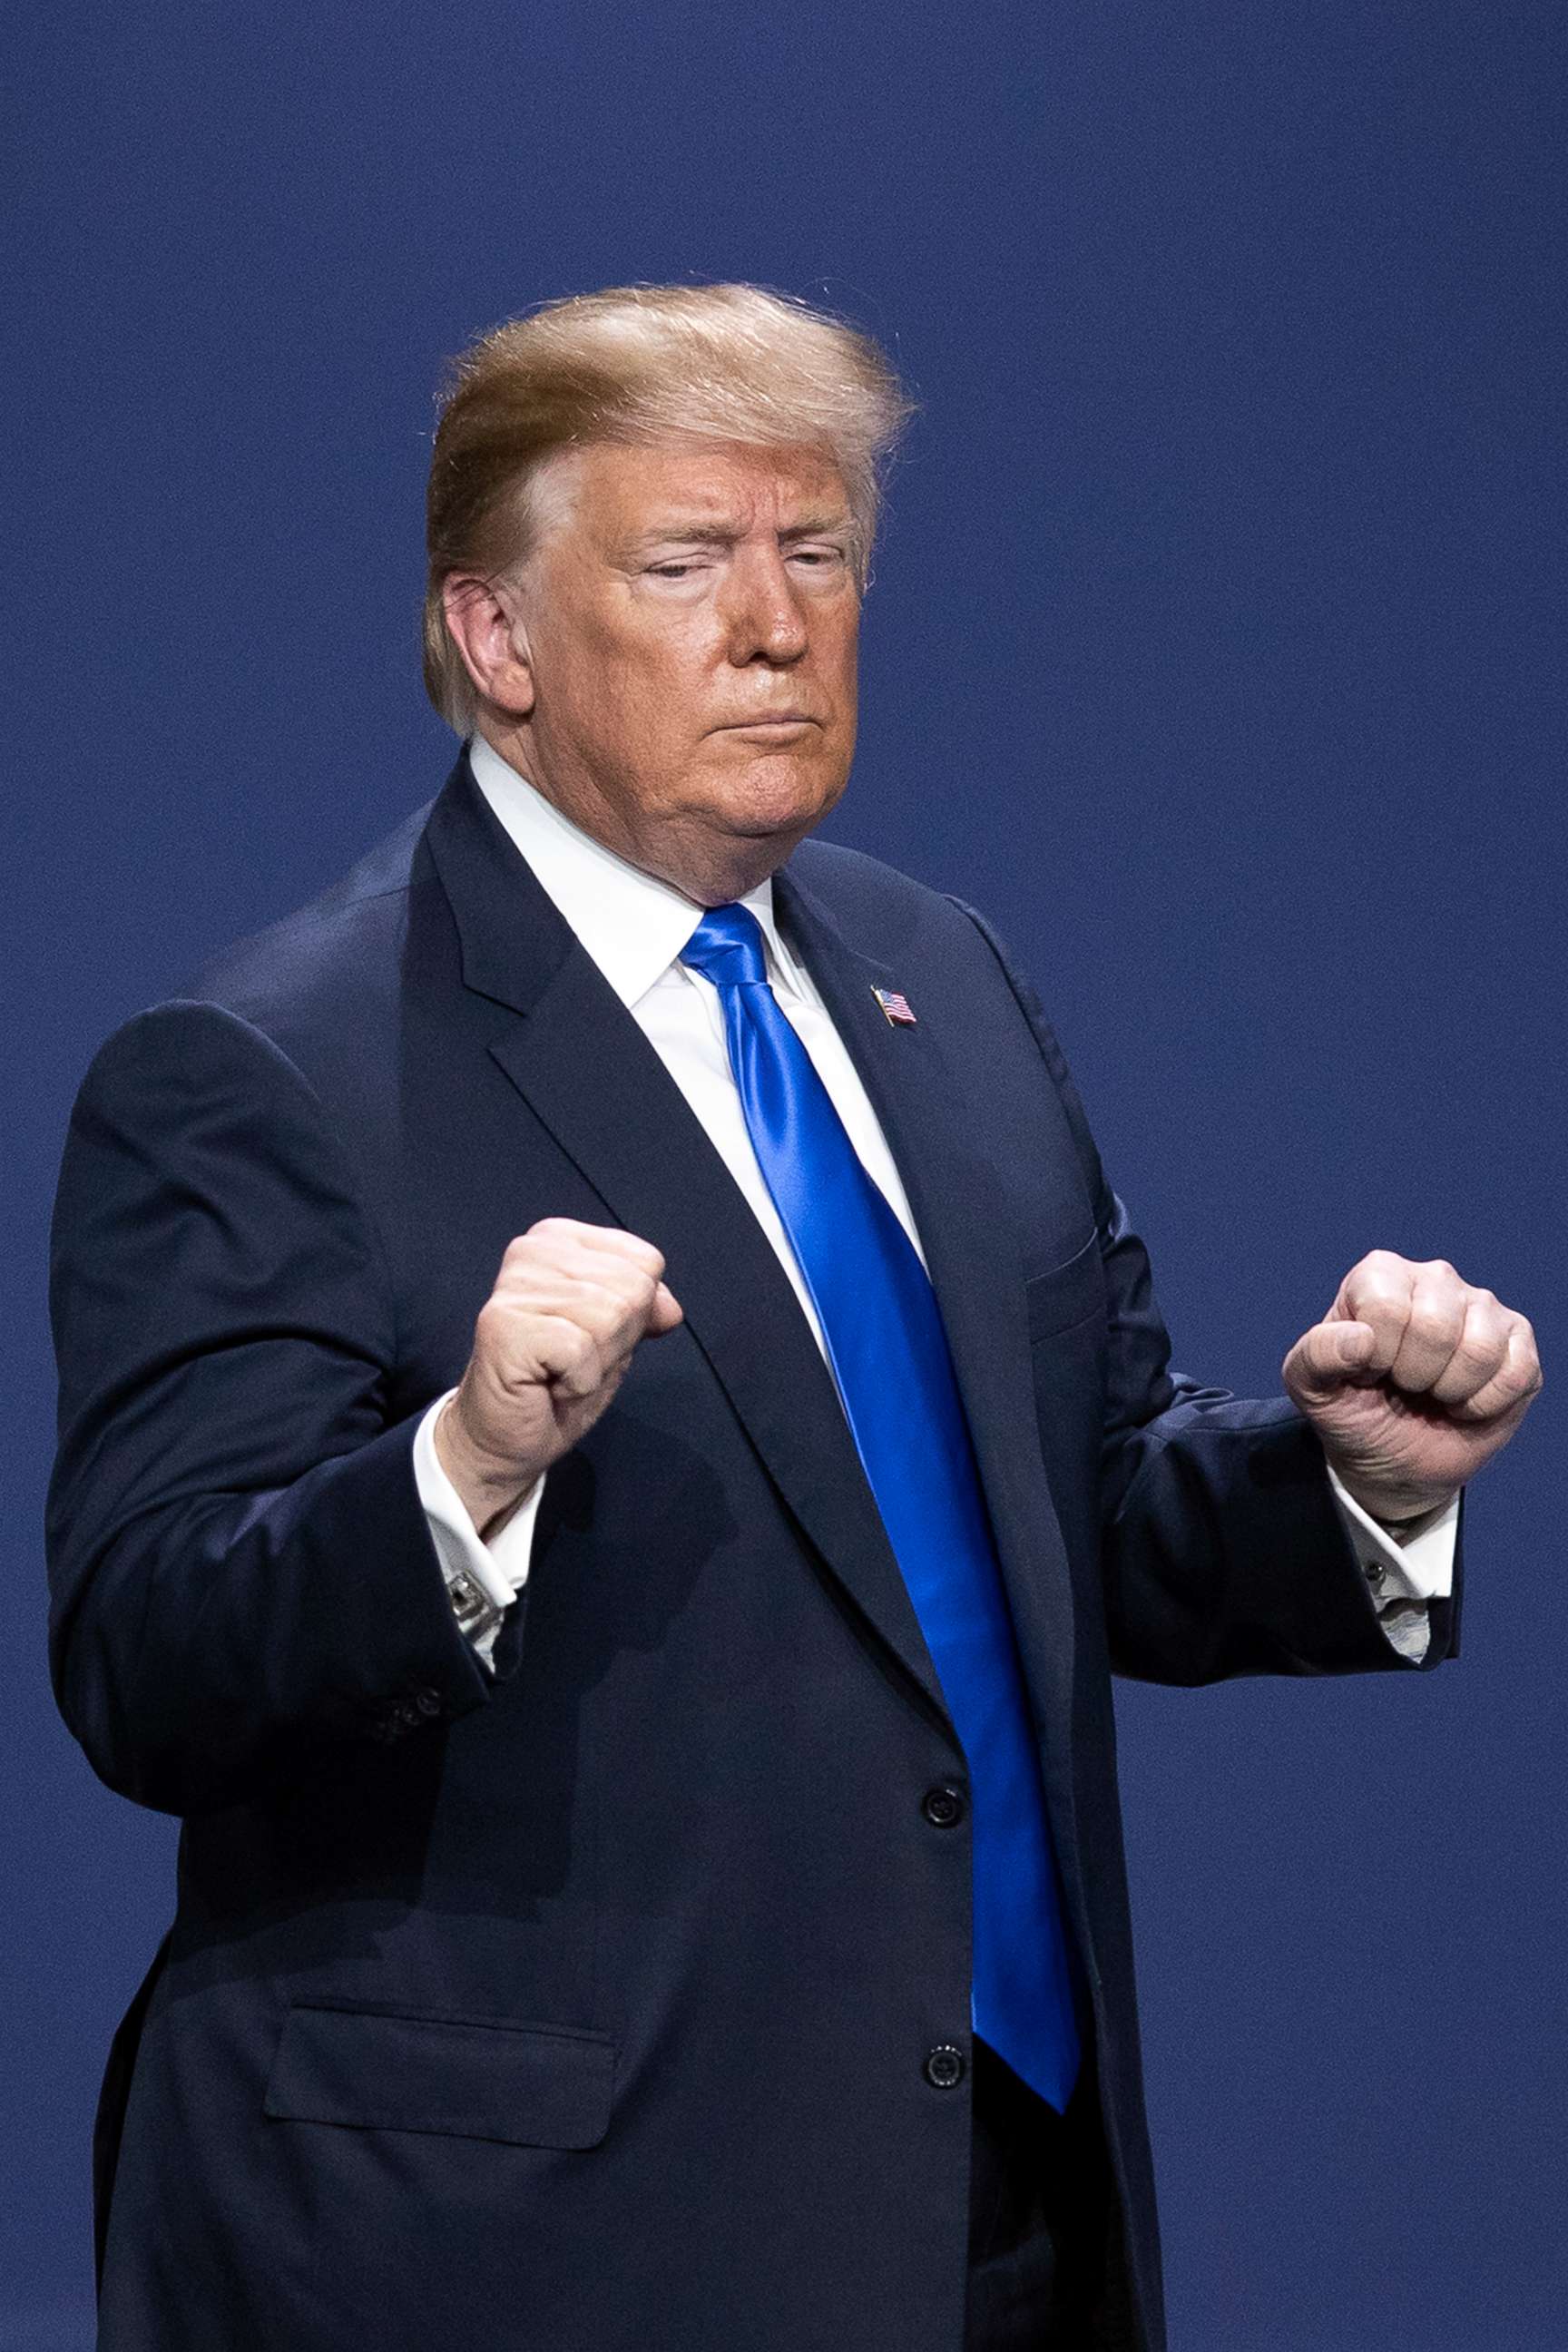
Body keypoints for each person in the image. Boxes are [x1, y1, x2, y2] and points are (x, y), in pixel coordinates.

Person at [46, 283, 1539, 2352]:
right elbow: (145, 1656)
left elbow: (1074, 1504)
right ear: (495, 640)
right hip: (518, 2263)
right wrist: (460, 1472)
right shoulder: (266, 1062)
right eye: (685, 564)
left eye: (816, 552)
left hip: (988, 2209)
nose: (777, 624)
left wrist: (1350, 1480)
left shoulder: (945, 978)